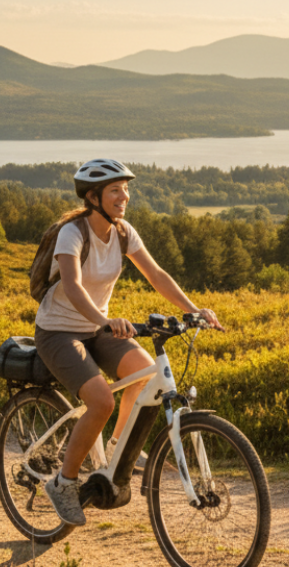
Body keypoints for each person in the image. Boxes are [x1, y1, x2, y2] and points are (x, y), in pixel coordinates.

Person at [35, 158, 223, 525]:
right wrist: (105, 320)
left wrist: (193, 309)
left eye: (126, 189)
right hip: (59, 331)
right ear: (93, 197)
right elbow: (72, 286)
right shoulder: (72, 233)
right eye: (115, 190)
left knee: (144, 373)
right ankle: (64, 482)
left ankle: (118, 447)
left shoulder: (122, 231)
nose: (124, 197)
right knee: (101, 401)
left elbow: (156, 274)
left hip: (96, 330)